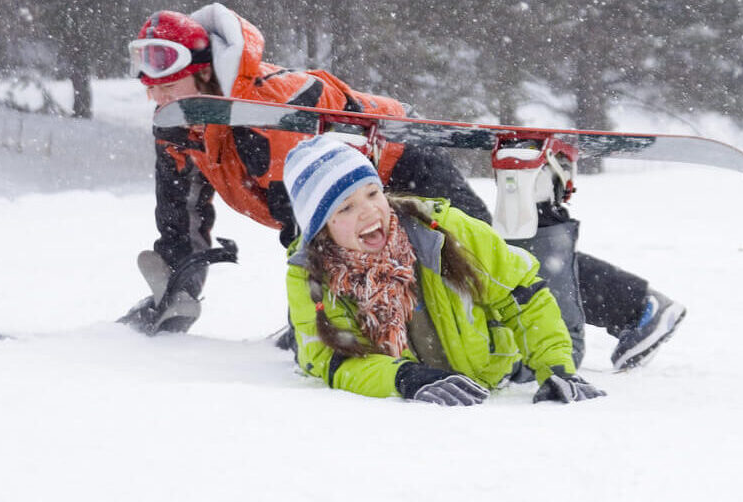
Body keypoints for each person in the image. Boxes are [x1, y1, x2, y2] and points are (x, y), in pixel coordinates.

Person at [120, 3, 686, 371]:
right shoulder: (182, 129)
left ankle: (638, 307)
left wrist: (316, 322)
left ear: (204, 62)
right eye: (142, 63)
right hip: (354, 201)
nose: (152, 82)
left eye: (164, 62)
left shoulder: (268, 106)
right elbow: (182, 217)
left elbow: (313, 222)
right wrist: (176, 293)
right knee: (454, 265)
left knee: (478, 257)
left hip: (400, 166)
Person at [283, 135, 605, 405]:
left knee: (567, 345)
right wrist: (405, 377)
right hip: (429, 386)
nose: (369, 212)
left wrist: (557, 368)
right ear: (321, 229)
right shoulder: (308, 274)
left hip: (507, 365)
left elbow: (524, 295)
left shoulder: (441, 230)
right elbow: (331, 361)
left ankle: (545, 199)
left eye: (372, 193)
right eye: (346, 207)